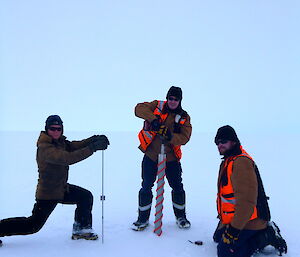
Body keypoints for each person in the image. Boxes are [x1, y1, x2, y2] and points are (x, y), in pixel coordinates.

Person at [0, 115, 110, 243]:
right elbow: (67, 158)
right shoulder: (45, 148)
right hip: (48, 193)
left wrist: (93, 139)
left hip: (62, 189)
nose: (56, 131)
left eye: (59, 129)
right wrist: (92, 148)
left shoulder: (59, 143)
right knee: (32, 225)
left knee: (85, 197)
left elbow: (74, 146)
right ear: (47, 129)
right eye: (52, 128)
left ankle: (82, 230)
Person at [213, 125, 287, 257]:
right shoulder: (228, 161)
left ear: (233, 142)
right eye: (217, 142)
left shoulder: (241, 163)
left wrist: (233, 231)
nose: (220, 145)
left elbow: (247, 202)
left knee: (225, 252)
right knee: (218, 237)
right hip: (238, 218)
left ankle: (265, 236)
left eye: (223, 141)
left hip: (251, 220)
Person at [132, 86, 192, 231]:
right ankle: (142, 219)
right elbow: (138, 109)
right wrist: (154, 120)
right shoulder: (157, 106)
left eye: (175, 99)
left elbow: (185, 137)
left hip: (171, 159)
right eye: (170, 98)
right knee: (146, 186)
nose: (172, 101)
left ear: (179, 101)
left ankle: (181, 217)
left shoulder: (183, 117)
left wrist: (171, 137)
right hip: (151, 156)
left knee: (177, 187)